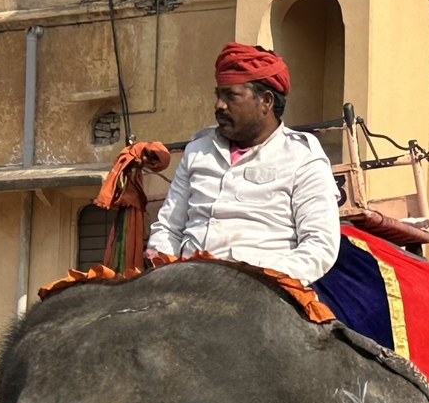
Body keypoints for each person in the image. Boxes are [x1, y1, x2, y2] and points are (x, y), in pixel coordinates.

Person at [146, 42, 342, 284]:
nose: (219, 105)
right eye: (218, 95)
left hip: (262, 286)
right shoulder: (198, 150)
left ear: (266, 101)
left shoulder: (302, 155)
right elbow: (168, 227)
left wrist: (262, 280)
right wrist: (165, 270)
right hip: (187, 280)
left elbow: (320, 245)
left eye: (231, 96)